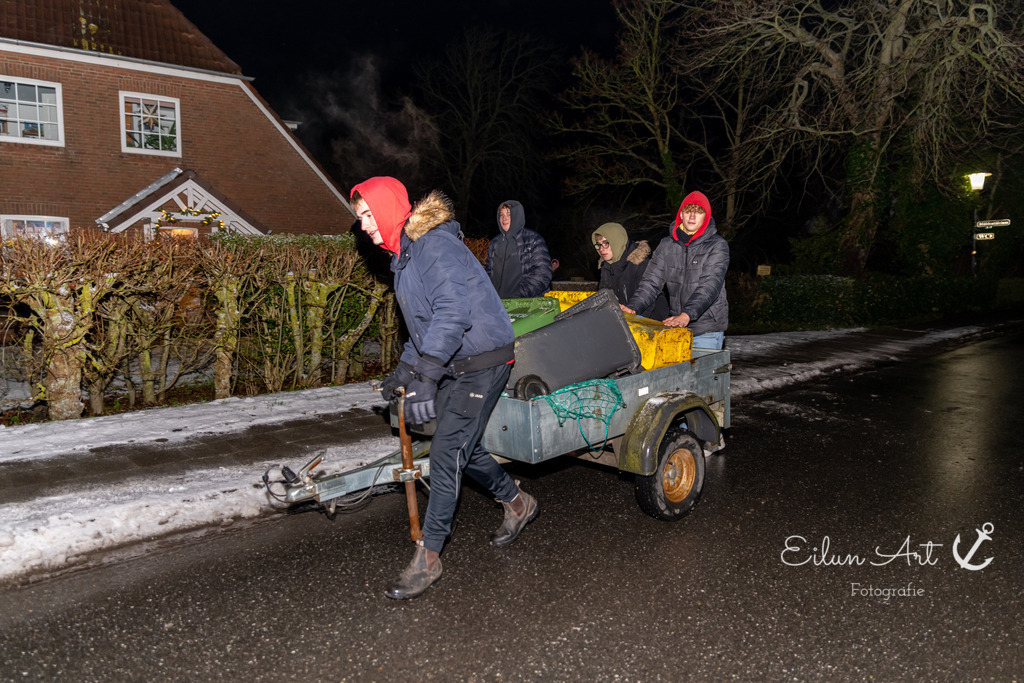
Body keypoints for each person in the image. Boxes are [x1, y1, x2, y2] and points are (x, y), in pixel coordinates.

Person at [351, 177, 540, 600]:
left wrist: (426, 375)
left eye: (368, 215)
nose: (364, 226)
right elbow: (423, 326)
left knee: (445, 450)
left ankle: (430, 556)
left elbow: (452, 313)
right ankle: (518, 502)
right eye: (360, 218)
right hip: (458, 359)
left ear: (388, 209)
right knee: (465, 448)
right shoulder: (404, 259)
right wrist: (405, 371)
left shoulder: (433, 246)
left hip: (485, 358)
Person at [621, 191, 729, 349]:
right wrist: (633, 307)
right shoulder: (666, 245)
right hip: (676, 327)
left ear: (706, 217)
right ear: (681, 215)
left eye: (698, 212)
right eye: (688, 211)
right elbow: (651, 282)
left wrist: (686, 315)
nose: (692, 216)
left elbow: (710, 286)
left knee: (701, 373)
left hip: (707, 330)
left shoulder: (717, 245)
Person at [592, 222, 669, 320]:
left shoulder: (641, 263)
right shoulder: (606, 267)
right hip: (625, 320)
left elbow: (646, 296)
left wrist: (631, 312)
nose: (602, 249)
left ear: (617, 241)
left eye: (606, 243)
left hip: (652, 323)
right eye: (599, 245)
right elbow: (605, 297)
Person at [485, 200, 552, 298]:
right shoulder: (495, 243)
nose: (504, 218)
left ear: (517, 215)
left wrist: (520, 293)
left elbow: (543, 273)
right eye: (501, 215)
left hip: (526, 304)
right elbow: (488, 272)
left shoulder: (532, 239)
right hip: (499, 304)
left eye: (509, 214)